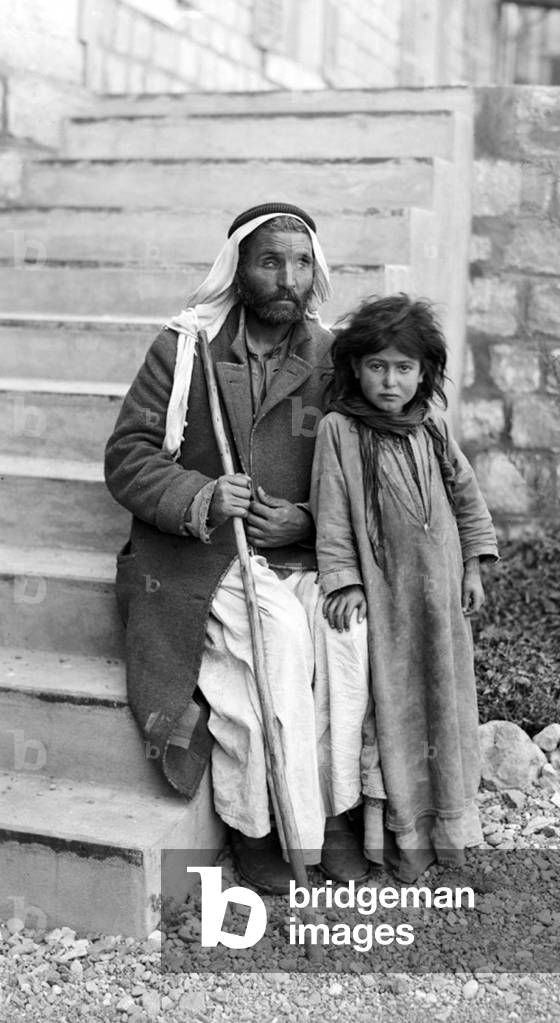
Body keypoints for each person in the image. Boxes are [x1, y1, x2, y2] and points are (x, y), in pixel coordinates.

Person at [104, 202, 370, 893]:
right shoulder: (185, 346)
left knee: (346, 635)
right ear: (240, 269)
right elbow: (128, 456)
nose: (288, 278)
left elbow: (364, 471)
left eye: (301, 262)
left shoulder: (334, 357)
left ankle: (331, 818)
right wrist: (199, 496)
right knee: (278, 637)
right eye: (270, 261)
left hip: (301, 551)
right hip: (205, 554)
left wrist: (308, 521)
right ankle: (258, 827)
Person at [309, 294, 499, 883]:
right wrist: (343, 580)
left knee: (445, 701)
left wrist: (472, 566)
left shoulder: (434, 429)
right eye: (377, 366)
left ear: (425, 373)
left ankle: (450, 828)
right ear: (355, 369)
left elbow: (467, 500)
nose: (390, 382)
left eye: (404, 368)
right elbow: (332, 511)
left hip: (440, 602)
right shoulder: (339, 431)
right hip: (387, 600)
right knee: (390, 708)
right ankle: (399, 839)